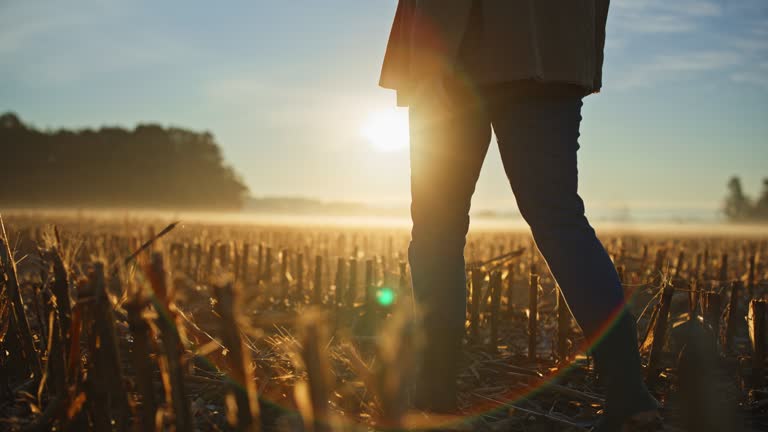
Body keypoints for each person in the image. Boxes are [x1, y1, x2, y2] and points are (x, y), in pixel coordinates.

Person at [379, 1, 661, 430]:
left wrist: (430, 56)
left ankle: (434, 395)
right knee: (560, 219)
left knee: (439, 227)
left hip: (460, 47)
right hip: (552, 47)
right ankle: (630, 396)